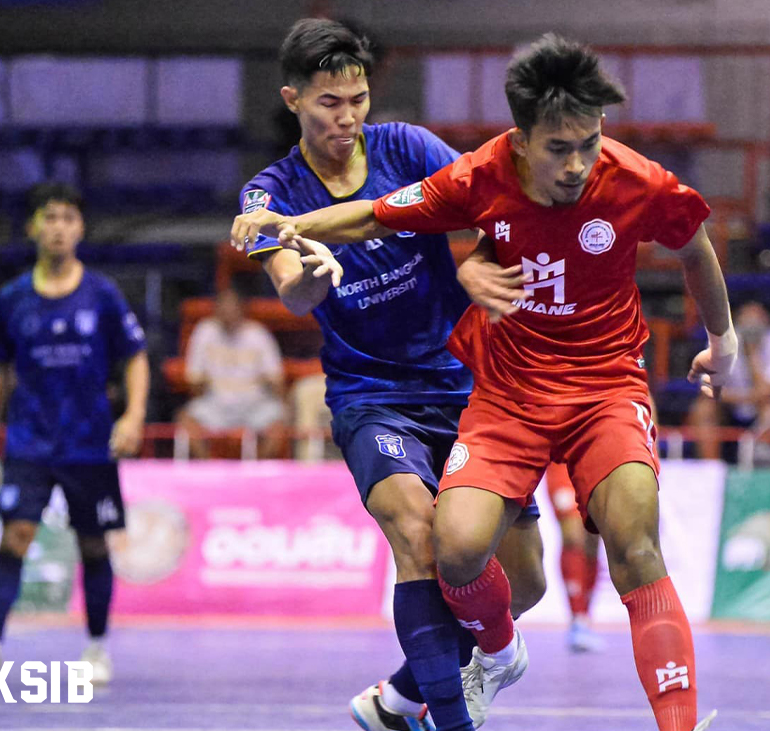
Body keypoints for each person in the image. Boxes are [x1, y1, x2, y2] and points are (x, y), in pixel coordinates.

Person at [234, 33, 735, 731]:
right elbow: (344, 245)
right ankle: (471, 685)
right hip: (442, 394)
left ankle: (411, 698)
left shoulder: (623, 178)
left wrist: (723, 338)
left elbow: (683, 246)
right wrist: (296, 239)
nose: (577, 165)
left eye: (589, 144)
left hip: (546, 382)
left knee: (580, 563)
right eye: (559, 148)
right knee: (441, 544)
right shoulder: (294, 191)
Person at [235, 19, 546, 731]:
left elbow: (491, 204)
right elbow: (292, 292)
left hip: (467, 384)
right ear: (292, 99)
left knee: (523, 582)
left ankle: (397, 701)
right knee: (419, 534)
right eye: (329, 103)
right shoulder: (269, 193)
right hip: (372, 396)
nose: (346, 118)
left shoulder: (407, 148)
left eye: (358, 99)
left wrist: (480, 262)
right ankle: (449, 721)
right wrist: (314, 273)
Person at [0, 182, 149, 685]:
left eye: (68, 217)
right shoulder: (12, 298)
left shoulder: (102, 295)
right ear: (33, 227)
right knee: (15, 534)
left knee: (93, 544)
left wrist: (132, 417)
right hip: (29, 440)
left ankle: (97, 647)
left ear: (80, 229)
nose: (58, 227)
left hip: (89, 443)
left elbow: (135, 357)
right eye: (50, 217)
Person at [177, 288, 288, 458]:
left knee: (279, 422)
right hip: (216, 403)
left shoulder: (258, 335)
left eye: (232, 306)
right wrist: (202, 384)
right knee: (186, 421)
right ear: (216, 309)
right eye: (223, 306)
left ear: (242, 308)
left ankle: (257, 468)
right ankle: (209, 467)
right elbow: (194, 381)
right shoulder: (204, 332)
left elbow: (276, 381)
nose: (228, 311)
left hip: (254, 404)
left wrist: (279, 401)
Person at [684, 301, 770, 461]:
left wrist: (752, 354)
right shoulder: (719, 343)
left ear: (768, 322)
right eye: (747, 320)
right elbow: (708, 388)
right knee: (704, 409)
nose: (752, 326)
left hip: (761, 406)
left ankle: (766, 467)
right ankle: (710, 466)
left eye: (757, 320)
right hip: (729, 405)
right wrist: (745, 398)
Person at [544, 462, 605, 653]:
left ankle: (585, 618)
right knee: (573, 536)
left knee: (592, 540)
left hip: (597, 462)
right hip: (561, 463)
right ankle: (577, 619)